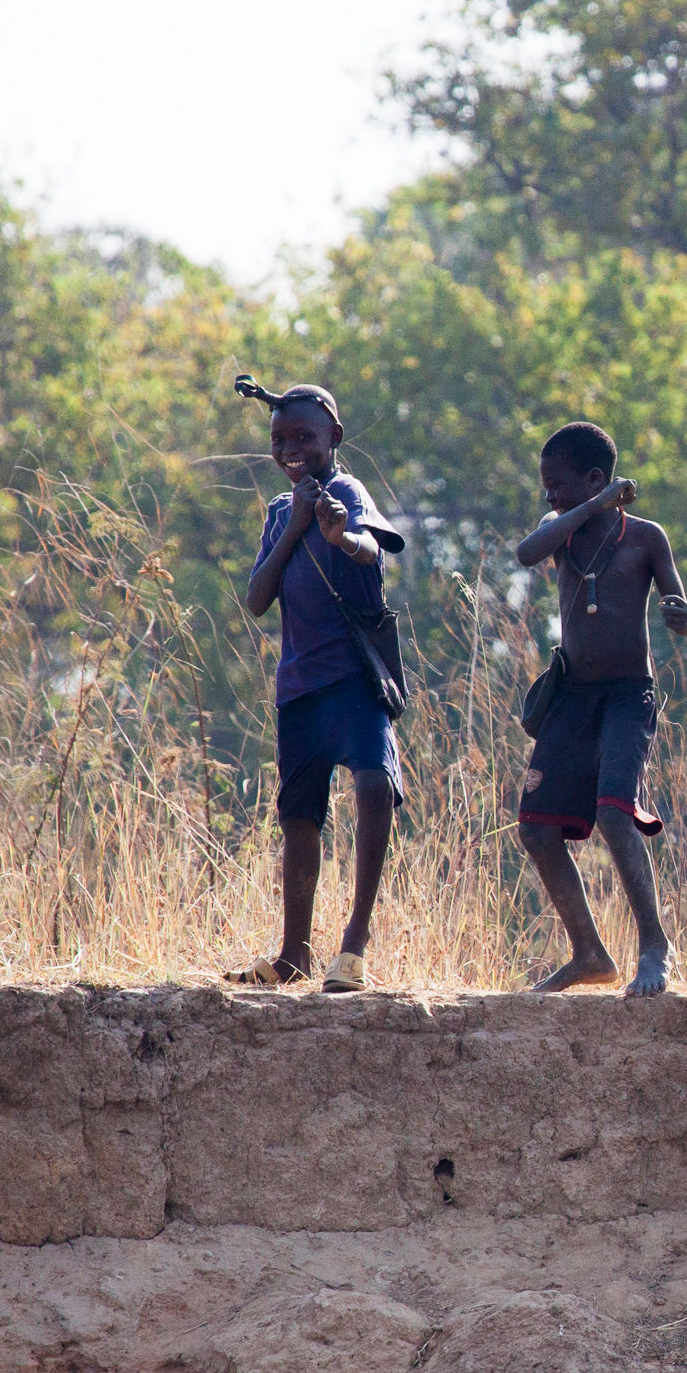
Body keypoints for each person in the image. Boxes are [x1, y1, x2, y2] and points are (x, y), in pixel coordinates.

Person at [226, 380, 407, 994]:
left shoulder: (348, 493)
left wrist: (335, 534)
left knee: (376, 783)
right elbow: (256, 599)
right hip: (300, 686)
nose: (290, 448)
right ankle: (294, 953)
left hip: (354, 680)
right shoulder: (281, 512)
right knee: (299, 818)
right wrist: (297, 525)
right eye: (279, 439)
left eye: (304, 436)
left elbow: (369, 551)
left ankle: (353, 947)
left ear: (334, 437)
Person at [513, 421, 687, 997]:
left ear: (595, 476)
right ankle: (589, 953)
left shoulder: (645, 537)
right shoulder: (559, 532)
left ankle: (654, 947)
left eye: (558, 485)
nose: (549, 495)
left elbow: (684, 612)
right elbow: (526, 553)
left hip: (626, 697)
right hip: (570, 697)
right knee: (537, 829)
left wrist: (679, 616)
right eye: (545, 486)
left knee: (616, 812)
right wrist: (587, 504)